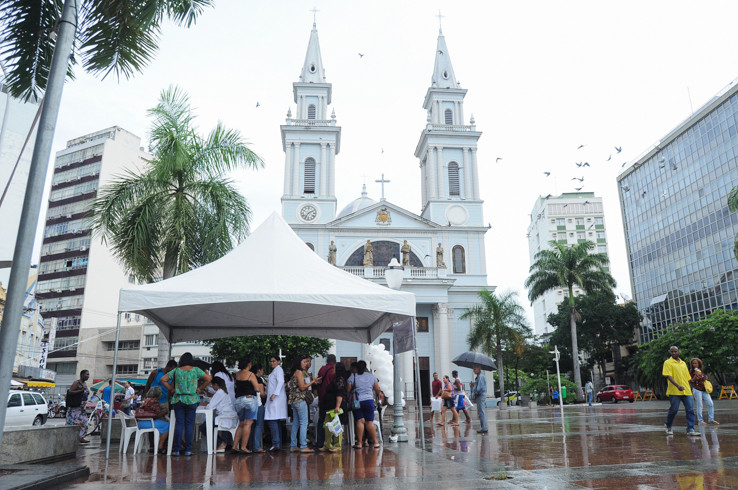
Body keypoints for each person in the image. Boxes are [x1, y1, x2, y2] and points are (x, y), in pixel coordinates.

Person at [160, 352, 212, 456]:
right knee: (189, 425)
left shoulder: (176, 370)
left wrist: (171, 389)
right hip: (192, 399)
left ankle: (177, 450)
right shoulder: (196, 370)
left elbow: (163, 379)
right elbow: (209, 379)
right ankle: (188, 450)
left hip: (179, 399)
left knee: (179, 424)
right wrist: (199, 388)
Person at [288, 355, 321, 453]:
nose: (306, 364)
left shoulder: (295, 373)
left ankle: (293, 445)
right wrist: (313, 381)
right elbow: (302, 387)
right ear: (299, 363)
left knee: (296, 423)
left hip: (294, 401)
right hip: (300, 400)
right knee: (304, 423)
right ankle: (303, 445)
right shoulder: (299, 373)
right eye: (304, 362)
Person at [347, 360, 384, 448]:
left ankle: (359, 443)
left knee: (360, 421)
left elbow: (348, 390)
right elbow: (377, 388)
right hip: (369, 401)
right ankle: (375, 442)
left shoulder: (353, 377)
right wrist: (380, 394)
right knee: (369, 422)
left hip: (357, 401)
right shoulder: (371, 376)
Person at [230, 356, 263, 454]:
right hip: (249, 400)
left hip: (238, 401)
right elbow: (257, 389)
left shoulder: (237, 374)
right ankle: (244, 447)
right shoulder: (250, 374)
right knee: (248, 423)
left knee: (241, 424)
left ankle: (234, 446)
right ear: (249, 364)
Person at [663, 346, 698, 436]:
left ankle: (690, 429)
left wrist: (690, 388)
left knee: (690, 410)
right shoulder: (668, 362)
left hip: (686, 391)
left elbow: (688, 378)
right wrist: (678, 386)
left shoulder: (683, 363)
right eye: (672, 352)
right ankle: (668, 425)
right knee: (674, 410)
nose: (674, 353)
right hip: (674, 391)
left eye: (675, 351)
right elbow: (668, 376)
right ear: (670, 352)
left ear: (679, 351)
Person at [200, 377, 237, 452]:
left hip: (225, 417)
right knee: (207, 425)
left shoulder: (219, 393)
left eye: (212, 385)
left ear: (216, 385)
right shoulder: (223, 392)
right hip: (228, 416)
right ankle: (221, 443)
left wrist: (204, 405)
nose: (212, 387)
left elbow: (210, 407)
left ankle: (220, 443)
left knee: (203, 427)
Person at [320, 363, 348, 452]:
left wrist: (337, 407)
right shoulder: (336, 379)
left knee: (336, 425)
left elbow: (340, 394)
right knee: (327, 425)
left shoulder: (340, 380)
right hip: (329, 407)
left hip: (334, 407)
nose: (333, 370)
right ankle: (327, 444)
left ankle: (337, 445)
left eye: (334, 368)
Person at [136, 386, 170, 454]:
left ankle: (157, 445)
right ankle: (160, 446)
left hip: (140, 423)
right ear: (158, 394)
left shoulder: (146, 400)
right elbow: (156, 415)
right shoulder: (154, 402)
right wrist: (165, 411)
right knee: (168, 426)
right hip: (147, 423)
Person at [264, 354, 287, 452]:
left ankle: (276, 443)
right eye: (271, 361)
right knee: (275, 421)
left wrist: (274, 394)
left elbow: (281, 382)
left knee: (272, 420)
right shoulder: (275, 370)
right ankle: (277, 443)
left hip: (276, 399)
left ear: (278, 362)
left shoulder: (278, 369)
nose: (272, 363)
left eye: (274, 361)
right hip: (274, 399)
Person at [689, 358, 719, 426]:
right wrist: (695, 376)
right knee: (700, 405)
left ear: (699, 363)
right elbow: (691, 381)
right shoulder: (691, 371)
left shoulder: (701, 370)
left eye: (696, 363)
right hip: (697, 389)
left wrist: (705, 377)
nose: (694, 365)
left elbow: (703, 378)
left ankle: (711, 419)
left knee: (710, 403)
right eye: (693, 363)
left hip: (704, 389)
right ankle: (700, 421)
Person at [316, 354, 337, 450]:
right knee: (332, 421)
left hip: (322, 398)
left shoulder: (322, 369)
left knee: (322, 421)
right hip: (332, 399)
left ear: (327, 360)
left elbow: (318, 382)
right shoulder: (334, 370)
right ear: (334, 361)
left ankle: (320, 442)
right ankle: (331, 442)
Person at [66, 369, 90, 443]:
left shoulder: (84, 384)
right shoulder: (77, 383)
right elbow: (70, 392)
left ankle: (81, 437)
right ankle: (71, 438)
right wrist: (81, 390)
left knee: (85, 422)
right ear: (82, 375)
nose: (88, 376)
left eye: (88, 374)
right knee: (72, 423)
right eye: (87, 374)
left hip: (81, 407)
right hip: (74, 407)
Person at [247, 363, 267, 453]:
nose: (263, 372)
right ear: (259, 370)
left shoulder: (249, 378)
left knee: (251, 425)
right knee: (259, 426)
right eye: (262, 370)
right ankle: (257, 446)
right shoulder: (258, 379)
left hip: (250, 405)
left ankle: (250, 446)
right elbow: (262, 393)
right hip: (258, 405)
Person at [470, 365, 488, 434]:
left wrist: (476, 393)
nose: (474, 371)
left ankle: (484, 428)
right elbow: (478, 386)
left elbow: (479, 387)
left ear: (479, 369)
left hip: (480, 396)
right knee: (480, 412)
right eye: (473, 369)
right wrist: (473, 385)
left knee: (481, 412)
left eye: (475, 369)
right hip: (479, 396)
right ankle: (483, 427)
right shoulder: (478, 377)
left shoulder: (480, 377)